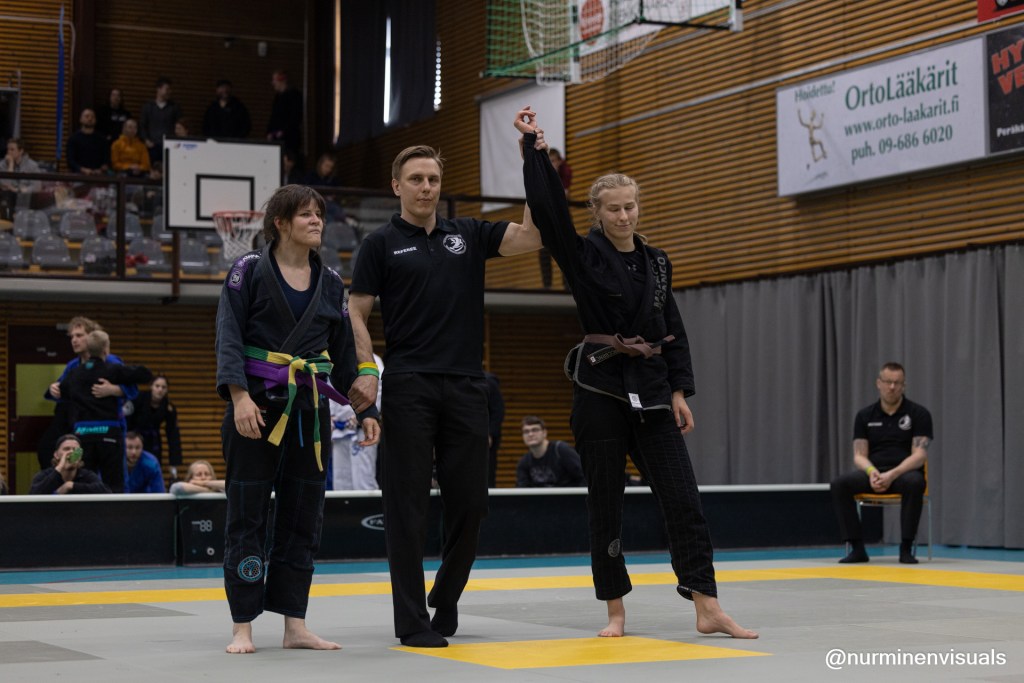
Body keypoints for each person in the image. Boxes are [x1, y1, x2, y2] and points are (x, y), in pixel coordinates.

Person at [518, 107, 757, 640]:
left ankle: (707, 605)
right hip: (600, 389)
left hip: (651, 390)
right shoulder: (582, 255)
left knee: (684, 498)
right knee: (606, 505)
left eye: (630, 206)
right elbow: (549, 211)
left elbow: (672, 327)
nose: (624, 216)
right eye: (614, 209)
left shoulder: (659, 262)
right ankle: (615, 611)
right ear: (597, 212)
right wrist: (535, 153)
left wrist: (679, 390)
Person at [346, 138, 542, 648]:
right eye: (416, 179)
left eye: (433, 179)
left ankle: (447, 594)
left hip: (467, 385)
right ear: (397, 186)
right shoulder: (379, 244)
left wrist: (533, 165)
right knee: (405, 508)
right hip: (408, 385)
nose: (426, 187)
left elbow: (531, 236)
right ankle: (412, 621)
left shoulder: (468, 234)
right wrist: (366, 368)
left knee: (472, 504)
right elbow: (355, 311)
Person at [215, 183, 380, 654]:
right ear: (281, 223)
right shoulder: (247, 271)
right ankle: (243, 625)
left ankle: (295, 625)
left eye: (319, 215)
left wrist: (366, 409)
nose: (316, 222)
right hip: (256, 407)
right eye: (306, 214)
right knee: (247, 514)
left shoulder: (330, 281)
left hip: (308, 410)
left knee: (304, 515)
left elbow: (344, 355)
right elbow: (228, 336)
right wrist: (239, 397)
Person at [830, 362, 932, 565]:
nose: (892, 387)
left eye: (897, 383)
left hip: (902, 475)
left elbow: (919, 455)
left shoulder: (918, 414)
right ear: (879, 383)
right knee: (840, 484)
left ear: (903, 385)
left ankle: (906, 548)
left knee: (915, 482)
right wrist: (872, 472)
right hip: (874, 474)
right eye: (887, 382)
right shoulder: (864, 415)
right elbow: (859, 455)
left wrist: (892, 474)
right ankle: (857, 549)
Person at [59, 330, 153, 493]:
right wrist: (117, 388)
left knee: (82, 479)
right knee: (114, 483)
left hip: (82, 435)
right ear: (106, 349)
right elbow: (145, 375)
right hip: (109, 434)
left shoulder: (74, 373)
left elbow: (62, 391)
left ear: (87, 348)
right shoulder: (112, 370)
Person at [40, 316, 137, 471]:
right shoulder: (73, 365)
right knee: (82, 472)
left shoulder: (112, 362)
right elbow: (60, 391)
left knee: (115, 475)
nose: (74, 340)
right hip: (82, 427)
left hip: (110, 426)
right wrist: (53, 389)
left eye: (79, 335)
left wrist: (113, 389)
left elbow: (132, 390)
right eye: (72, 336)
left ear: (92, 337)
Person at [330, 352, 383, 490]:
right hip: (339, 430)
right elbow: (330, 388)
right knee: (340, 479)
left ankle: (367, 505)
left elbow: (378, 391)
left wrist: (367, 413)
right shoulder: (337, 356)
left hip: (361, 427)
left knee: (363, 477)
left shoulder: (373, 360)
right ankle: (342, 506)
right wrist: (331, 416)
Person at [127, 374, 183, 480]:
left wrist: (174, 462)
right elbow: (126, 421)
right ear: (151, 387)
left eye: (163, 387)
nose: (160, 390)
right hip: (133, 438)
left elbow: (173, 435)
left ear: (167, 390)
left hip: (154, 442)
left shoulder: (168, 407)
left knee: (152, 467)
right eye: (157, 386)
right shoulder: (137, 399)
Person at [29, 434, 112, 495]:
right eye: (66, 449)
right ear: (56, 455)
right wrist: (60, 468)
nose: (71, 452)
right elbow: (33, 495)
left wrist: (71, 486)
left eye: (75, 450)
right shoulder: (44, 475)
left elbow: (106, 492)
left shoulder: (86, 475)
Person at [515, 415, 585, 487]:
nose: (530, 434)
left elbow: (583, 476)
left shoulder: (561, 450)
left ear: (544, 433)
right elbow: (522, 487)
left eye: (535, 430)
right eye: (526, 431)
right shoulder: (524, 461)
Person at [537, 147, 572, 290]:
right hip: (547, 215)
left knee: (566, 249)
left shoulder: (565, 172)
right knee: (544, 249)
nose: (551, 164)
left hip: (562, 216)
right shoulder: (542, 174)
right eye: (549, 161)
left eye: (553, 161)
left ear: (559, 162)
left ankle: (568, 285)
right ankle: (547, 285)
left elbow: (564, 195)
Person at [139, 77, 182, 164]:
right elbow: (142, 125)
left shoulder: (174, 107)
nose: (170, 92)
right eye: (167, 89)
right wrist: (146, 140)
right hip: (152, 146)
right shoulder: (148, 107)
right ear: (158, 89)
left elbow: (179, 126)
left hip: (169, 146)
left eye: (170, 89)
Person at [1, 138, 41, 220]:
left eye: (12, 149)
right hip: (8, 197)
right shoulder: (3, 164)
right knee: (6, 195)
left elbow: (37, 187)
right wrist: (10, 165)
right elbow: (5, 185)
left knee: (24, 196)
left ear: (21, 151)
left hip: (25, 198)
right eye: (8, 149)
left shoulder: (32, 166)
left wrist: (19, 190)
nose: (9, 152)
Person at [266, 70, 302, 156]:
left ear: (281, 80)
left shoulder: (294, 95)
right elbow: (273, 116)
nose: (273, 83)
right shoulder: (277, 97)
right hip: (276, 137)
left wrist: (284, 131)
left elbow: (295, 117)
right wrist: (269, 132)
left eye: (274, 80)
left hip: (290, 138)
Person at [66, 109, 110, 175]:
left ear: (95, 120)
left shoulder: (102, 139)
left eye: (92, 117)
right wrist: (82, 169)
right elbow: (70, 160)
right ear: (81, 119)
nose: (90, 119)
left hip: (98, 175)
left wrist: (102, 168)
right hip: (78, 175)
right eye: (87, 116)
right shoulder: (73, 139)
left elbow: (106, 159)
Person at [485, 371, 505, 488]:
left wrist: (490, 433)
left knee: (486, 474)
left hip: (485, 437)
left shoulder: (488, 381)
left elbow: (498, 410)